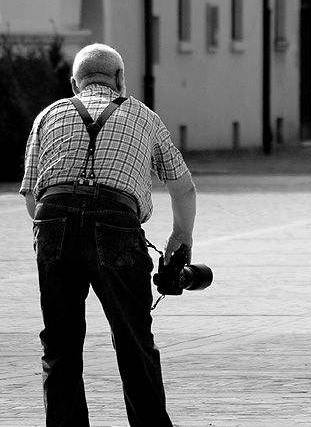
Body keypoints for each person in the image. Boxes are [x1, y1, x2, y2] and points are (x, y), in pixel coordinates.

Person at [20, 43, 197, 427]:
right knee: (133, 340)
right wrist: (178, 242)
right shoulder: (144, 116)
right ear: (120, 80)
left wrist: (54, 232)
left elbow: (32, 196)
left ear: (74, 84)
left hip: (54, 219)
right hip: (116, 221)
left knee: (60, 344)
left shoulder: (48, 116)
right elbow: (183, 188)